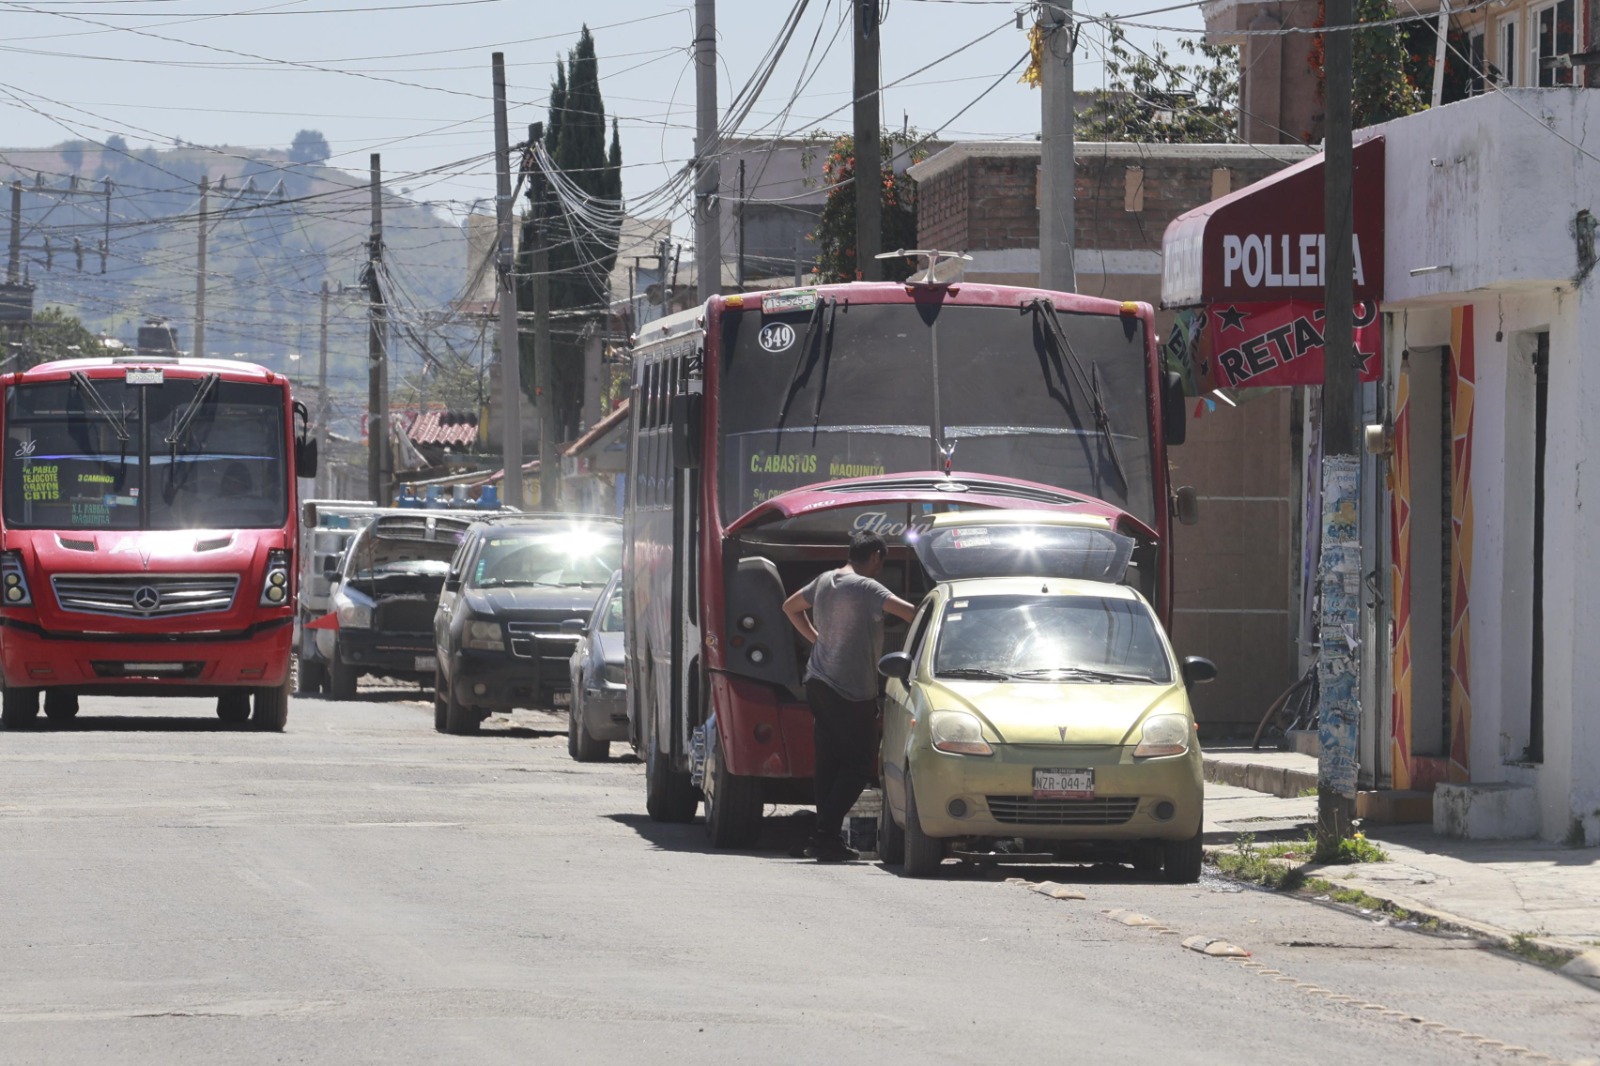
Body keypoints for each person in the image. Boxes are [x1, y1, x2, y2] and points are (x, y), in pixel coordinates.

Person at [783, 530, 917, 862]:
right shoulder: (868, 587)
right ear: (875, 557)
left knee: (829, 761)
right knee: (858, 765)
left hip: (817, 681)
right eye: (880, 563)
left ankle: (823, 839)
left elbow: (790, 607)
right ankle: (826, 834)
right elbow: (913, 614)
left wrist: (817, 639)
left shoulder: (826, 580)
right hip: (850, 689)